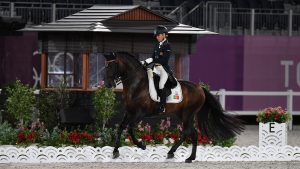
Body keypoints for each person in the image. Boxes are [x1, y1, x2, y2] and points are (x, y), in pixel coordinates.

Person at [141, 25, 172, 113]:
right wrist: (144, 62)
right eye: (156, 36)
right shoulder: (157, 45)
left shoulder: (167, 46)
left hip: (163, 69)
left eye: (158, 35)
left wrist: (152, 61)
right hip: (155, 68)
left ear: (163, 35)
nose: (157, 37)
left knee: (161, 85)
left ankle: (163, 106)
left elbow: (164, 60)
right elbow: (153, 57)